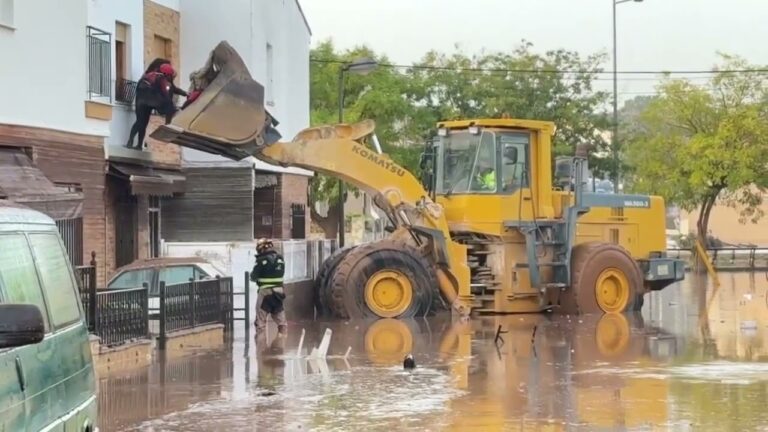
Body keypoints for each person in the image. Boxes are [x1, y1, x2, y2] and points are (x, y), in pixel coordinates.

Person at [125, 61, 188, 149]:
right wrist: (170, 107)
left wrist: (184, 93)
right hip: (149, 101)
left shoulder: (151, 75)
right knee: (168, 106)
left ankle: (132, 143)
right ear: (167, 74)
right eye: (171, 76)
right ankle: (167, 125)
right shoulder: (161, 78)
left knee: (140, 122)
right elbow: (166, 92)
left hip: (141, 101)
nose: (172, 78)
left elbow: (173, 88)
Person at [251, 238, 287, 335]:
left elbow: (253, 277)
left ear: (261, 249)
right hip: (279, 292)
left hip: (265, 292)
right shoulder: (280, 259)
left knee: (260, 321)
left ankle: (261, 345)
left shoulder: (260, 260)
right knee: (281, 320)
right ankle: (282, 342)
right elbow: (282, 273)